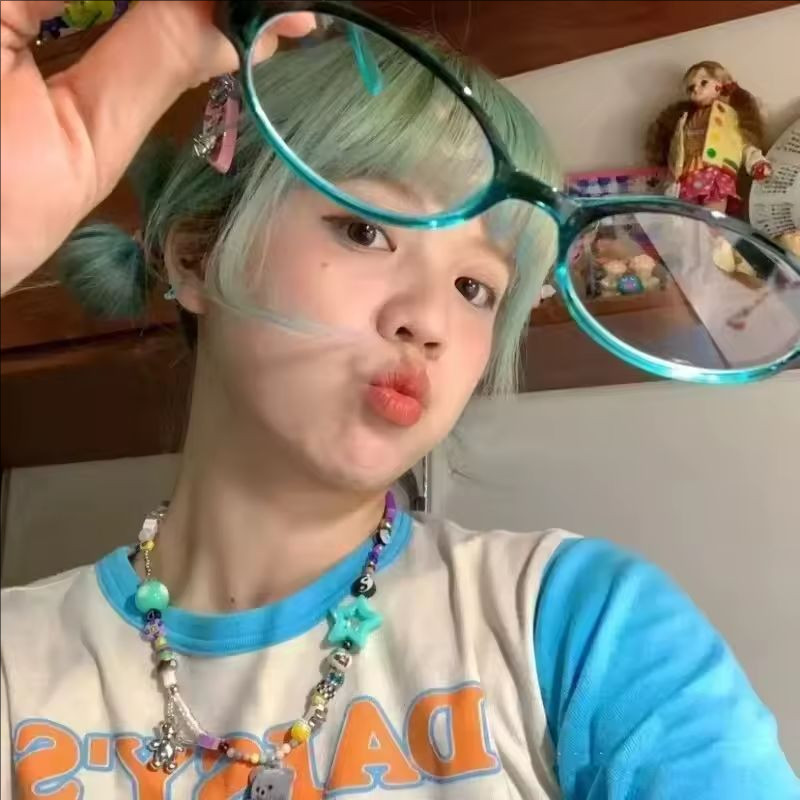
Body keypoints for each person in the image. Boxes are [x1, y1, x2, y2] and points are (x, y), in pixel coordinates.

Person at [1, 2, 798, 798]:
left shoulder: (583, 626)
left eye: (475, 287)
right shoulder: (16, 665)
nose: (429, 322)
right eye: (365, 231)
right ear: (198, 256)